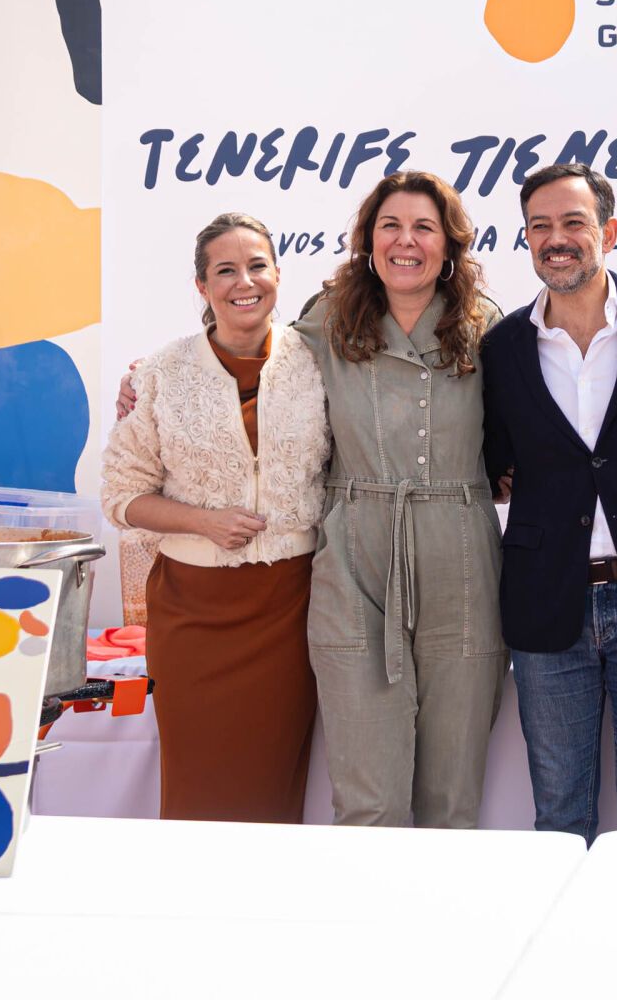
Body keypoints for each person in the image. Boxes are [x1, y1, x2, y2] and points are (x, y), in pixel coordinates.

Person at [117, 171, 507, 828]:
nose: (405, 241)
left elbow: (529, 421)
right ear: (368, 240)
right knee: (368, 801)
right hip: (353, 567)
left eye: (423, 227)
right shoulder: (329, 319)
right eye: (390, 226)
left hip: (461, 564)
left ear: (449, 243)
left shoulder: (485, 325)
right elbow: (245, 355)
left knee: (452, 799)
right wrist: (144, 380)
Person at [481, 163, 617, 842]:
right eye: (540, 226)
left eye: (573, 222)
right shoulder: (502, 348)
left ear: (608, 231)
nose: (556, 238)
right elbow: (491, 461)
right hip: (547, 601)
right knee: (559, 817)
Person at [101, 212, 330, 823]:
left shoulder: (319, 363)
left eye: (257, 266)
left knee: (272, 787)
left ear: (278, 273)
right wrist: (201, 522)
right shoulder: (159, 374)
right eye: (225, 270)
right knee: (197, 788)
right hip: (192, 614)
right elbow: (121, 497)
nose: (243, 282)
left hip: (291, 609)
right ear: (202, 286)